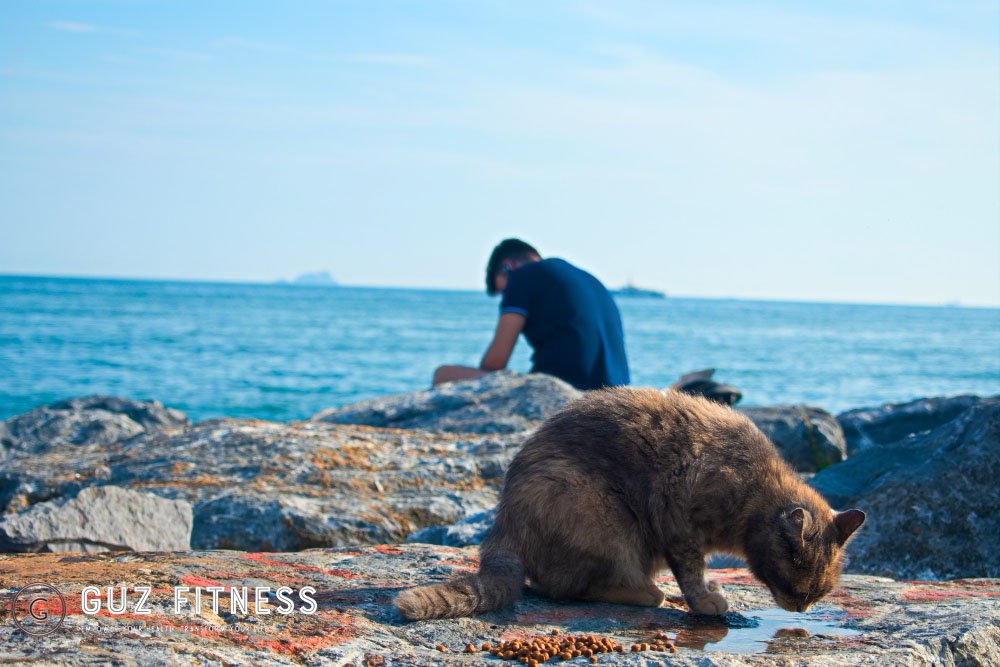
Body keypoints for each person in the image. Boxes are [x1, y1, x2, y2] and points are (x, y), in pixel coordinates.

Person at [433, 238, 630, 390]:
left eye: (504, 293)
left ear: (507, 267)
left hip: (565, 390)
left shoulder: (523, 275)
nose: (506, 298)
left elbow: (495, 363)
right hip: (614, 395)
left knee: (443, 375)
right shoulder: (591, 280)